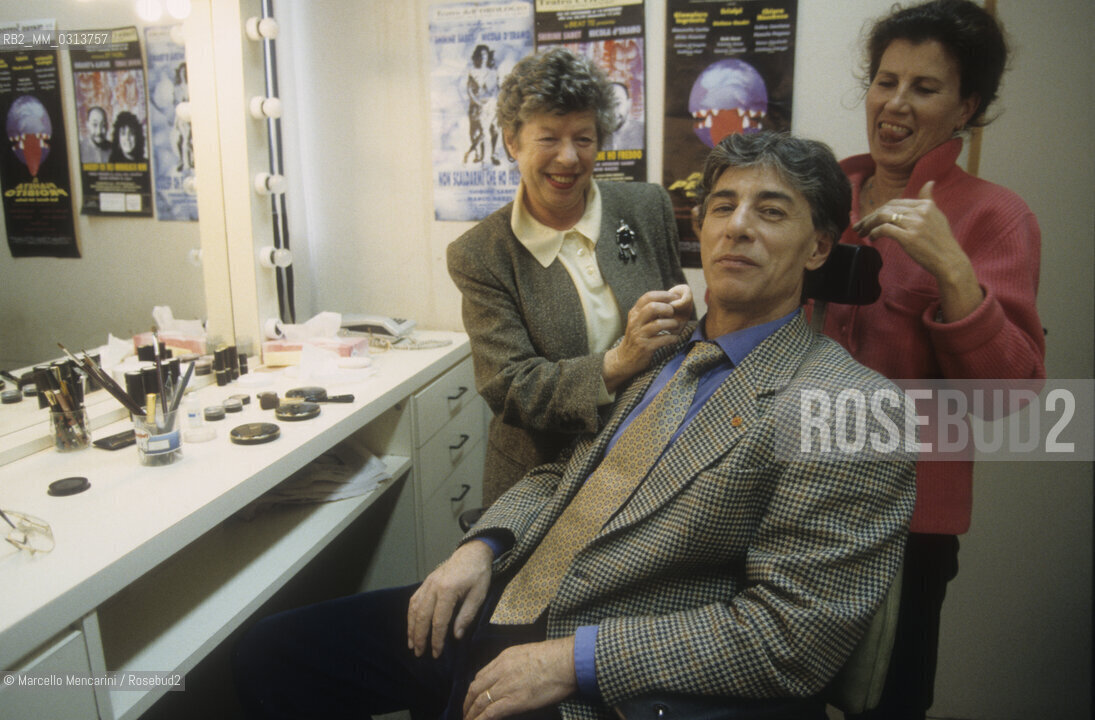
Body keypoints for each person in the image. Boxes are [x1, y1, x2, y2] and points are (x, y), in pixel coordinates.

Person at [233, 131, 916, 720]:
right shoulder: (664, 348)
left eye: (771, 212)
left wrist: (573, 661)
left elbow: (790, 637)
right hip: (507, 593)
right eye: (721, 207)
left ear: (819, 246)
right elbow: (569, 472)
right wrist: (483, 546)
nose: (737, 226)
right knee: (270, 656)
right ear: (699, 230)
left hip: (612, 661)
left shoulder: (849, 408)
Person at [822, 2, 1046, 718]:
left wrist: (953, 272)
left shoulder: (995, 217)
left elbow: (1011, 399)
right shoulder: (823, 194)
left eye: (924, 87)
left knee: (883, 702)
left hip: (905, 528)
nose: (893, 104)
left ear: (965, 107)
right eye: (885, 81)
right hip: (792, 497)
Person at [447, 47, 690, 506]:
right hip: (539, 479)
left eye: (583, 138)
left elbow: (678, 335)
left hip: (648, 464)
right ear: (512, 143)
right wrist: (620, 361)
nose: (568, 157)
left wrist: (687, 323)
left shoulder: (645, 208)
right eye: (548, 139)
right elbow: (513, 388)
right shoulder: (481, 254)